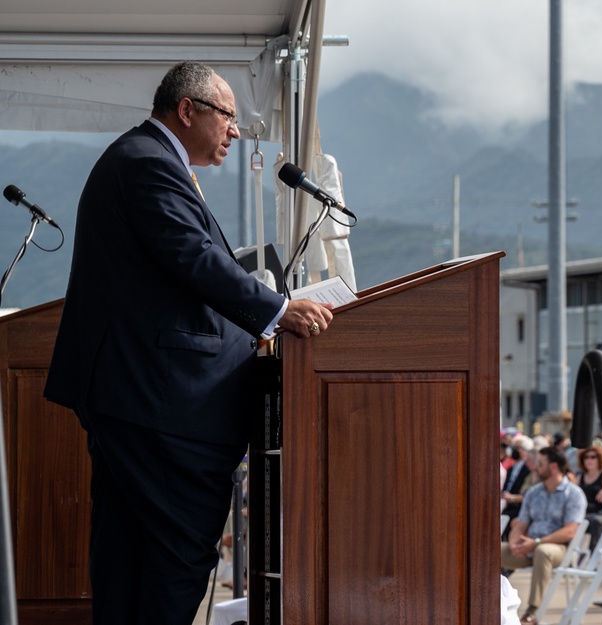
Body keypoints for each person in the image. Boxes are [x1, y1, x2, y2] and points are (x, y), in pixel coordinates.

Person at [42, 62, 334, 625]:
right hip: (159, 406)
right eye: (228, 117)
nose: (236, 131)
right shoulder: (147, 164)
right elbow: (192, 258)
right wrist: (278, 310)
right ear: (187, 111)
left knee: (128, 558)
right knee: (177, 556)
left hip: (139, 400)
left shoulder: (142, 160)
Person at [501, 446, 587, 625]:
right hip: (529, 546)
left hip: (560, 548)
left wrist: (537, 542)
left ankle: (531, 612)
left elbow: (570, 530)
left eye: (540, 463)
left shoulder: (574, 494)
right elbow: (521, 523)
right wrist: (515, 542)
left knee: (543, 552)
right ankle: (484, 602)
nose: (535, 467)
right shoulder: (534, 492)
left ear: (553, 466)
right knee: (492, 551)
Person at [576, 445, 602, 548]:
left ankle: (594, 553)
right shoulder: (580, 477)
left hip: (600, 513)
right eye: (586, 457)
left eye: (593, 457)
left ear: (599, 459)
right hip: (583, 512)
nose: (589, 460)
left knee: (594, 522)